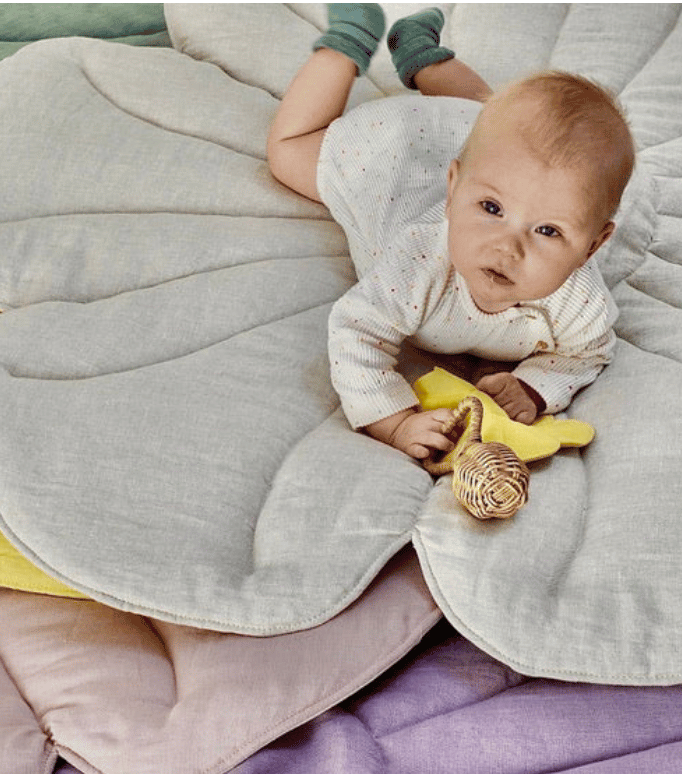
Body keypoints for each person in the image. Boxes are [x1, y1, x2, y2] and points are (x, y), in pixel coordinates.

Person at [267, 5, 634, 461]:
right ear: (455, 187)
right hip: (399, 164)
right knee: (287, 153)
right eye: (491, 209)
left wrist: (533, 388)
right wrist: (395, 421)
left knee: (493, 117)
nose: (508, 246)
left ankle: (422, 54)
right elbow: (355, 331)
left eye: (547, 230)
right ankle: (347, 45)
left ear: (593, 247)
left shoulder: (580, 303)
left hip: (484, 154)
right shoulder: (419, 263)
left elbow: (587, 354)